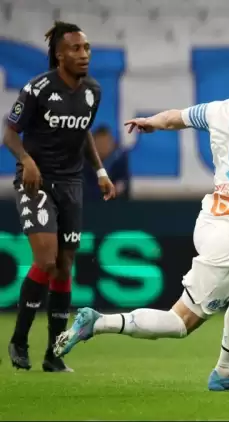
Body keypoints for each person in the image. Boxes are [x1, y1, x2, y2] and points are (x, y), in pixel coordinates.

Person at [53, 45, 229, 391]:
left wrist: (150, 122)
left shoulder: (221, 109)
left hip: (210, 220)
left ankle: (226, 371)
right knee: (180, 322)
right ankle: (98, 323)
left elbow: (175, 117)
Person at [3, 21, 116, 372]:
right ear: (59, 55)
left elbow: (83, 133)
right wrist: (26, 161)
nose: (84, 55)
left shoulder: (93, 91)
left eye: (86, 48)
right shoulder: (37, 88)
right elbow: (9, 133)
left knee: (65, 265)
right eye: (75, 49)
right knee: (47, 260)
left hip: (71, 183)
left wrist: (100, 171)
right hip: (36, 181)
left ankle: (54, 354)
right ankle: (19, 340)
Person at [83, 126, 130, 201]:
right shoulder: (85, 161)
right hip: (91, 202)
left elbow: (124, 181)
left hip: (115, 203)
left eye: (106, 143)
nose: (103, 147)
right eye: (100, 143)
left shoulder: (119, 159)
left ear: (112, 143)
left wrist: (117, 188)